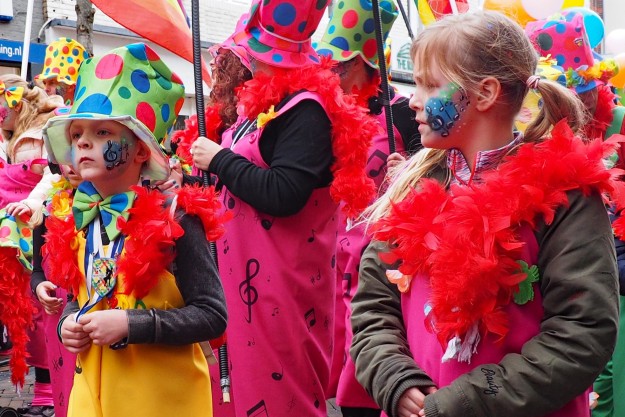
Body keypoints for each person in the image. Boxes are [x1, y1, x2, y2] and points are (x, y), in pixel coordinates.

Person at [350, 10, 619, 417]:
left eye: (428, 84)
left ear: (485, 93)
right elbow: (373, 305)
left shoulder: (566, 196)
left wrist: (465, 403)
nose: (412, 99)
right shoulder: (413, 185)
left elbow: (581, 332)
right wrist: (394, 378)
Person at [188, 0, 379, 415]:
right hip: (243, 285)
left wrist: (218, 159)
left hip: (280, 290)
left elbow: (285, 193)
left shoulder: (306, 110)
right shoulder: (265, 107)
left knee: (279, 394)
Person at [42, 43, 228, 417]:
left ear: (141, 151)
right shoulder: (75, 219)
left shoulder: (176, 219)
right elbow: (85, 295)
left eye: (103, 131)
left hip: (161, 402)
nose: (82, 141)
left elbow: (212, 315)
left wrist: (131, 323)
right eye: (77, 132)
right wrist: (68, 323)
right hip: (91, 398)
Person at [315, 0, 420, 415]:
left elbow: (437, 178)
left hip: (382, 257)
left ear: (367, 63)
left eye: (342, 64)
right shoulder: (324, 115)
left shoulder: (403, 115)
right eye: (330, 64)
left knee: (367, 367)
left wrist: (409, 170)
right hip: (332, 258)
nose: (333, 72)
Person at [0, 75, 63, 413]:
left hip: (38, 230)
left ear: (17, 103)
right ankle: (42, 391)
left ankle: (48, 391)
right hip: (13, 235)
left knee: (41, 311)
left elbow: (54, 175)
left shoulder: (45, 130)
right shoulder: (11, 137)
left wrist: (35, 203)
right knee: (25, 314)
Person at [28, 165, 81, 417]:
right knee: (65, 388)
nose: (72, 165)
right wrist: (38, 286)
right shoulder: (49, 208)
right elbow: (36, 270)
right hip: (57, 313)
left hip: (93, 313)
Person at [39, 38, 89, 106]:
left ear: (70, 87)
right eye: (44, 83)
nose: (45, 89)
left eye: (52, 83)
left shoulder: (83, 112)